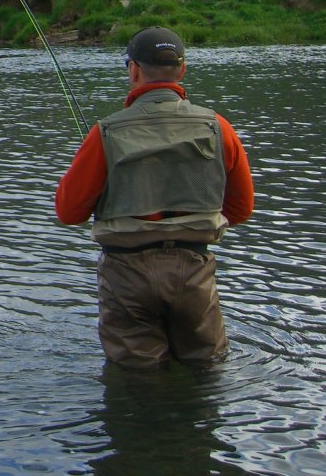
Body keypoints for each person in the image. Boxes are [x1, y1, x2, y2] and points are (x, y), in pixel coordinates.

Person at [55, 26, 254, 368]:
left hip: (126, 274)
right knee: (207, 369)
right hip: (194, 269)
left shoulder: (105, 132)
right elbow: (240, 209)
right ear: (183, 69)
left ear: (133, 70)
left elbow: (69, 212)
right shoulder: (218, 127)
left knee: (137, 381)